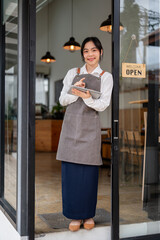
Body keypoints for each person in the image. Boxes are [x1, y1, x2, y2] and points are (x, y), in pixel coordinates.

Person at [56, 37, 113, 231]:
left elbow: (103, 104)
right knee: (71, 174)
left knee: (88, 176)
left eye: (94, 50)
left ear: (100, 52)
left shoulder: (106, 76)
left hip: (90, 130)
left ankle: (87, 214)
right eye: (86, 51)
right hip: (71, 129)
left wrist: (87, 98)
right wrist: (76, 90)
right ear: (83, 54)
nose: (90, 54)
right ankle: (74, 216)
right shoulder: (73, 72)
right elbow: (63, 99)